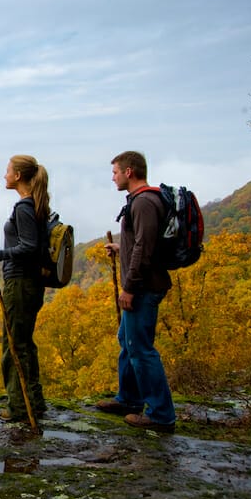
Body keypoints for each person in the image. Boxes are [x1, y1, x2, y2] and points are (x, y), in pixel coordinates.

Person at [98, 151, 176, 433]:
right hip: (145, 283)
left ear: (129, 172)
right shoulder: (144, 201)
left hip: (143, 287)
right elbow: (142, 245)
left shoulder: (143, 202)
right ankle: (129, 399)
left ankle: (161, 415)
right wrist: (121, 249)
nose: (113, 177)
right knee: (127, 341)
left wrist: (129, 288)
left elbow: (145, 248)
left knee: (141, 350)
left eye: (115, 172)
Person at [0, 155, 49, 422]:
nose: (4, 175)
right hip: (31, 283)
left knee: (13, 346)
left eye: (7, 171)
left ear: (18, 176)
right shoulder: (37, 204)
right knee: (25, 344)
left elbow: (30, 247)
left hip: (20, 283)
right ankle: (35, 401)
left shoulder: (24, 207)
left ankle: (19, 407)